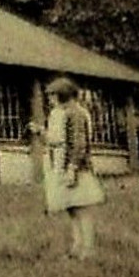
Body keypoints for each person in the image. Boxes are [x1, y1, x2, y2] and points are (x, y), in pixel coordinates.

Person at [33, 77, 106, 259]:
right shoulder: (61, 113)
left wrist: (72, 168)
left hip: (76, 168)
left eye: (53, 96)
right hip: (61, 165)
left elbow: (79, 144)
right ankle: (77, 246)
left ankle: (88, 249)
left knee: (82, 209)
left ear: (63, 95)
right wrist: (41, 133)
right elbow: (56, 139)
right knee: (72, 208)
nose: (50, 100)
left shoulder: (77, 114)